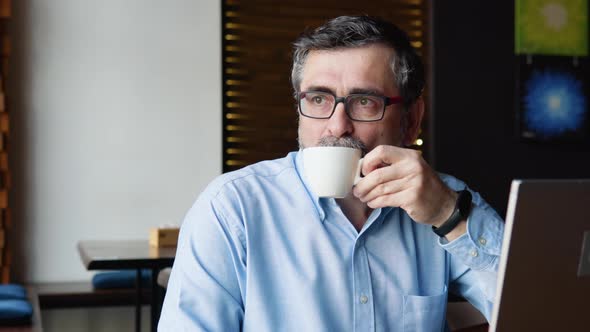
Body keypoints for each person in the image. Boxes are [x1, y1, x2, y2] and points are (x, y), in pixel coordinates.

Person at [158, 15, 504, 331]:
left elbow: (541, 308)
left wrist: (448, 214)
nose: (338, 127)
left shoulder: (439, 199)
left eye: (365, 102)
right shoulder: (232, 209)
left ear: (411, 120)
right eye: (319, 100)